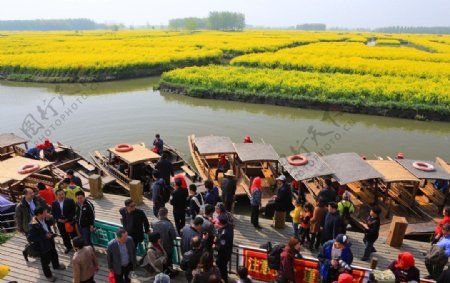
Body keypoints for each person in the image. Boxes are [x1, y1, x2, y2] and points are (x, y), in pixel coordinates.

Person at [27, 206, 66, 282]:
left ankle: (56, 265)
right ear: (39, 214)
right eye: (45, 212)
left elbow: (50, 224)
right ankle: (48, 275)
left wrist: (49, 219)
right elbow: (30, 238)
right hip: (42, 245)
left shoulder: (44, 218)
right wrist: (44, 236)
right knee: (45, 262)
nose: (47, 213)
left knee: (54, 253)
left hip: (50, 240)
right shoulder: (33, 224)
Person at [52, 188, 76, 254]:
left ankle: (76, 246)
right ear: (56, 196)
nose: (61, 196)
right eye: (59, 195)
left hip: (69, 221)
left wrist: (67, 219)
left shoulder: (70, 201)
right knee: (64, 235)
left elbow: (73, 211)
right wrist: (58, 219)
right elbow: (54, 213)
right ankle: (68, 247)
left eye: (62, 194)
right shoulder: (54, 203)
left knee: (73, 234)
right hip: (60, 222)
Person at [216, 214, 234, 283]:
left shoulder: (224, 234)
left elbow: (221, 247)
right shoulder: (230, 226)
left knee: (222, 268)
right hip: (228, 252)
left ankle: (224, 280)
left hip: (223, 255)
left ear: (221, 223)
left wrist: (214, 247)